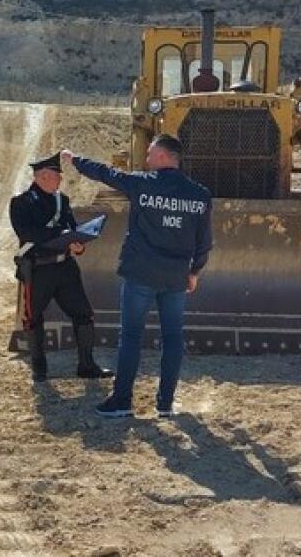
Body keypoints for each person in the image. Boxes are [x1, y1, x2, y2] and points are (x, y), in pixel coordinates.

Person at [61, 135, 212, 418]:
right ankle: (165, 404)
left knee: (130, 336)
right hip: (175, 277)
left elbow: (108, 174)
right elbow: (204, 242)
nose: (147, 159)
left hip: (141, 274)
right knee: (172, 338)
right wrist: (194, 271)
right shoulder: (200, 195)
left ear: (166, 157)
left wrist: (75, 161)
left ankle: (122, 400)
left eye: (152, 154)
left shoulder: (142, 184)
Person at [9, 152, 113, 382]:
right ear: (43, 176)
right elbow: (28, 233)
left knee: (83, 314)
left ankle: (87, 365)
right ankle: (39, 369)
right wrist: (61, 234)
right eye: (57, 176)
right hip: (38, 270)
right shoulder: (21, 203)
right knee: (34, 318)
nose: (60, 180)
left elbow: (72, 228)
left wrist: (78, 245)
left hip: (65, 267)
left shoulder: (62, 200)